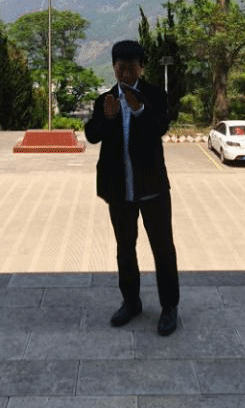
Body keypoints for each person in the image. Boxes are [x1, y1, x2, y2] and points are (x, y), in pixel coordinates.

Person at [84, 39, 179, 336]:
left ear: (141, 68)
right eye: (120, 69)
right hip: (119, 190)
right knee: (125, 249)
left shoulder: (155, 95)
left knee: (162, 249)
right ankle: (131, 302)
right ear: (113, 68)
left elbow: (160, 128)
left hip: (152, 189)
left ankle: (169, 307)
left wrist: (139, 110)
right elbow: (91, 135)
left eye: (131, 69)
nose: (125, 74)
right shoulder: (105, 100)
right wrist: (108, 117)